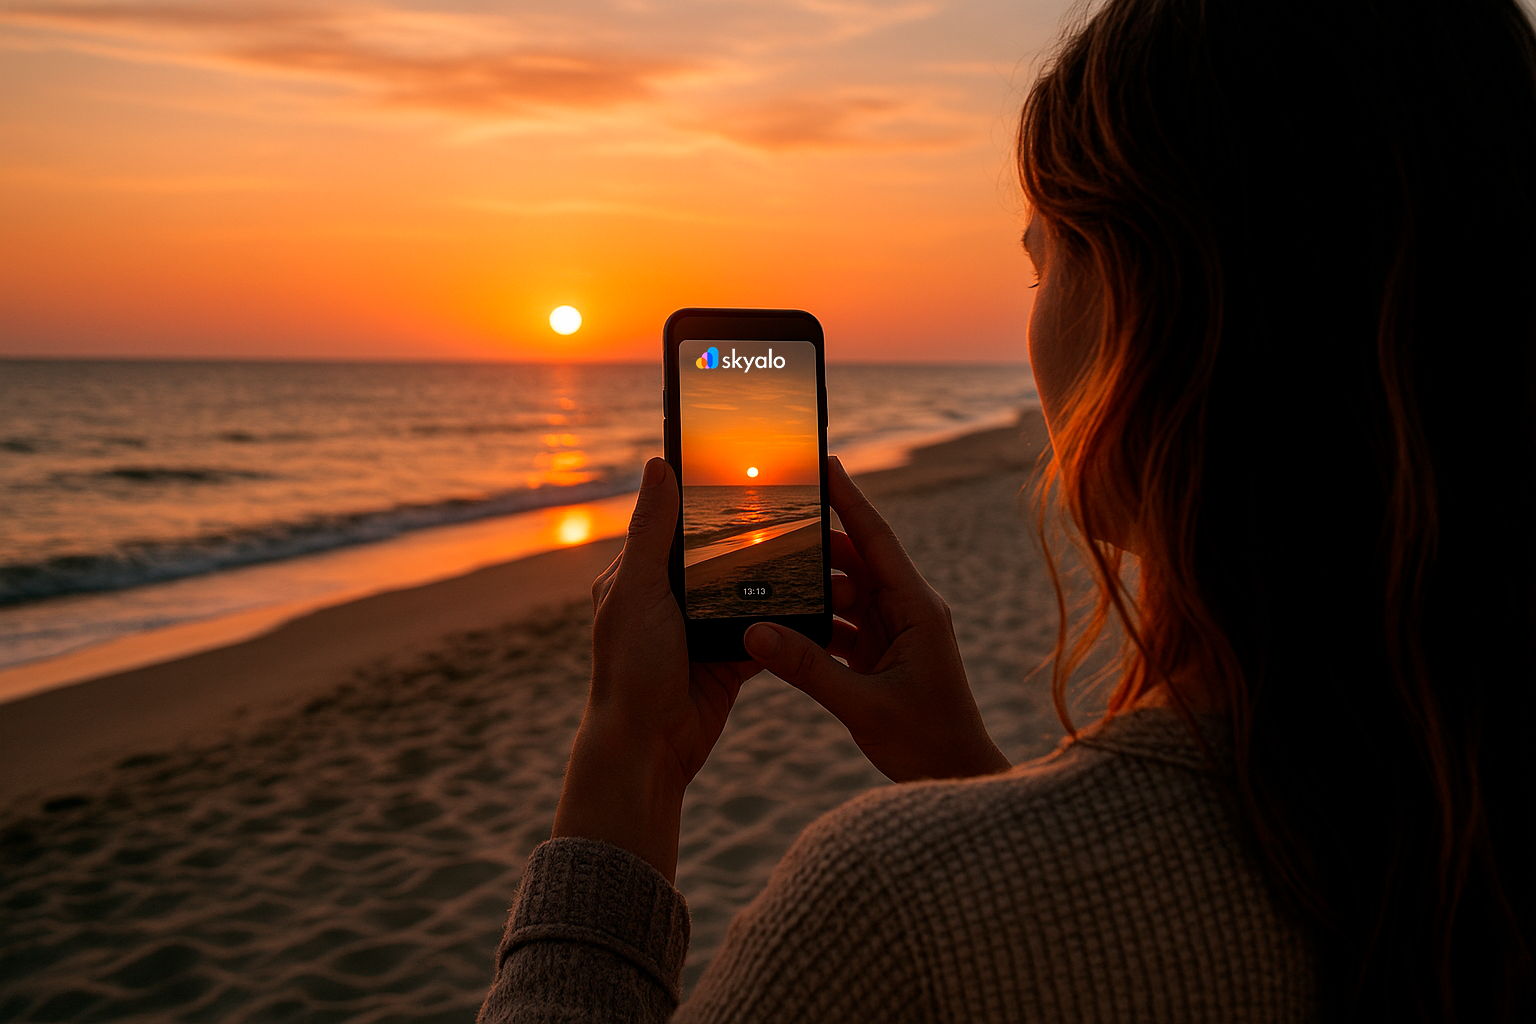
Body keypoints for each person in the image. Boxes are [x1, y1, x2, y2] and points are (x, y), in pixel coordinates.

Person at [478, 0, 1536, 1019]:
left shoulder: (896, 910)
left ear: (1151, 307)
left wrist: (627, 753)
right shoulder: (1450, 818)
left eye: (1043, 263)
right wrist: (966, 776)